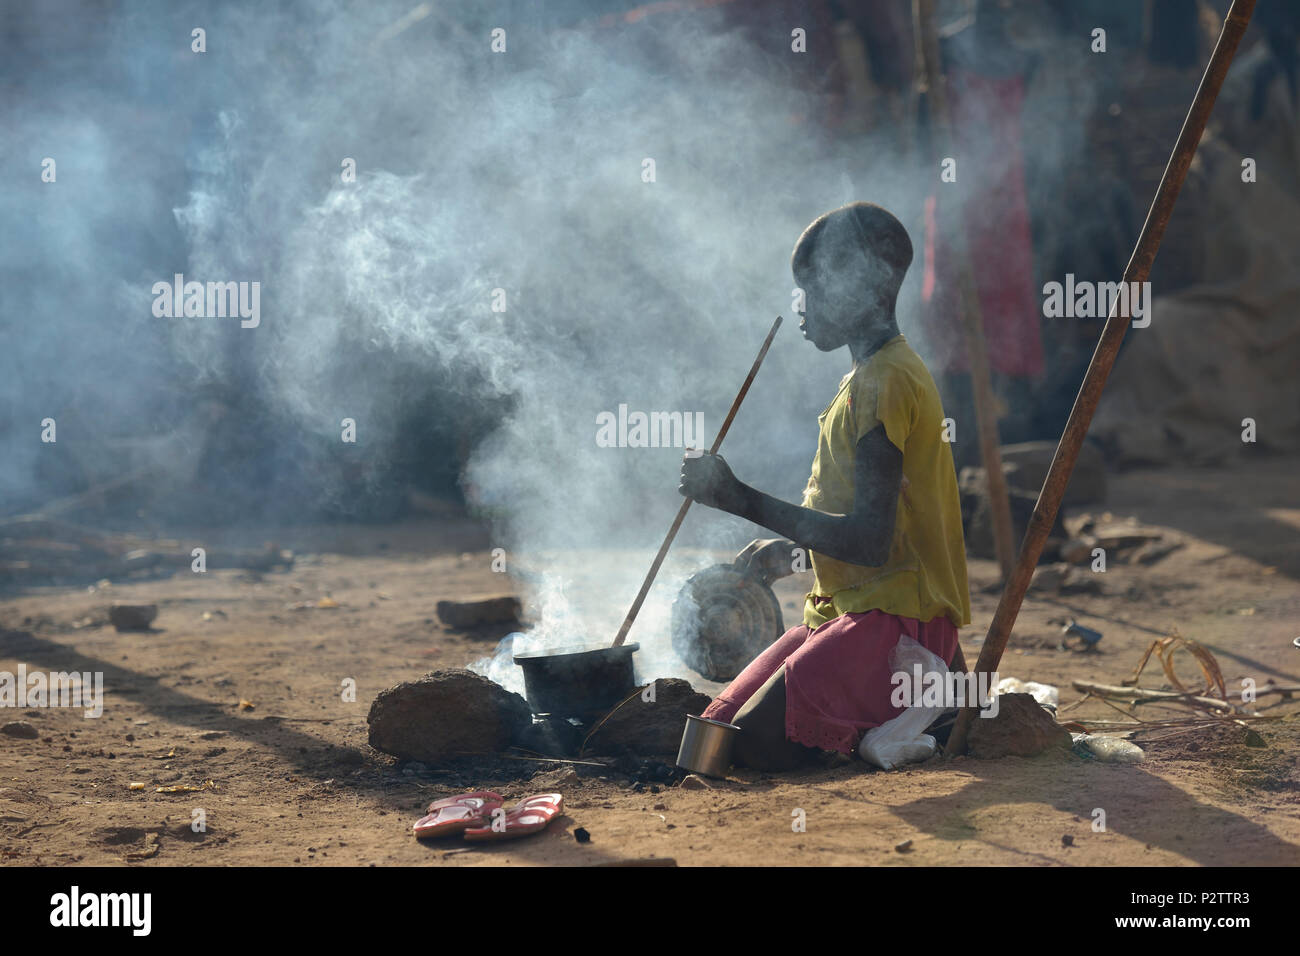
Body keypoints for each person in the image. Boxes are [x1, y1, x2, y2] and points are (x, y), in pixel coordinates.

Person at [678, 202, 970, 770]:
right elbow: (881, 528)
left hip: (897, 632)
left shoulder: (885, 382)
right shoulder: (867, 378)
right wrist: (794, 553)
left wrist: (738, 499)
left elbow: (868, 542)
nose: (801, 306)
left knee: (744, 749)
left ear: (867, 284)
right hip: (850, 612)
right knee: (717, 726)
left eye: (813, 288)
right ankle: (919, 711)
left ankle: (919, 713)